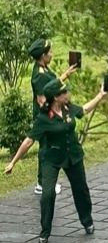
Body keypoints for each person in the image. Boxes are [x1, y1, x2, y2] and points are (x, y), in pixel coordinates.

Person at [5, 79, 108, 243]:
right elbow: (29, 141)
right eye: (64, 92)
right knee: (48, 194)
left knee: (81, 188)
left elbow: (84, 109)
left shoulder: (68, 108)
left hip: (72, 155)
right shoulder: (43, 118)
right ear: (56, 97)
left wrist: (100, 95)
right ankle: (45, 231)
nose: (68, 94)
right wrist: (13, 162)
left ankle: (87, 221)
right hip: (51, 158)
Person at [28, 39, 75, 196]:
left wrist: (65, 76)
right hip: (46, 117)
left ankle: (46, 182)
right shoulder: (39, 75)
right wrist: (51, 117)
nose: (52, 55)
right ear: (43, 55)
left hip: (50, 115)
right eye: (49, 52)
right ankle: (42, 183)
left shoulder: (44, 69)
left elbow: (53, 85)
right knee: (45, 149)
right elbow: (42, 99)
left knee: (48, 147)